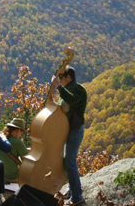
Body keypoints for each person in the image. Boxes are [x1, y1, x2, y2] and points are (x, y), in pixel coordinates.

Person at [52, 66, 87, 206]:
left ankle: (77, 197)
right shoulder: (67, 90)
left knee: (69, 162)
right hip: (69, 130)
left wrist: (59, 87)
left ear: (68, 77)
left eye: (62, 77)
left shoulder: (79, 90)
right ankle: (73, 191)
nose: (60, 80)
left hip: (75, 130)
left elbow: (72, 100)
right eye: (59, 78)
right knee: (68, 161)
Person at [0, 118, 28, 182]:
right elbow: (27, 162)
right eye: (21, 132)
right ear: (18, 130)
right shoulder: (17, 142)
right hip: (11, 177)